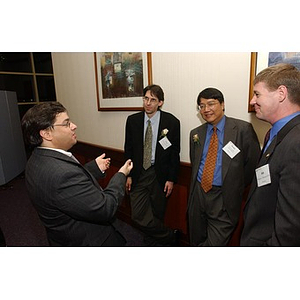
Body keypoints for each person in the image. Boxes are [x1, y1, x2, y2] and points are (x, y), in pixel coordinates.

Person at [21, 102, 133, 246]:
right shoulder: (61, 174)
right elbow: (106, 208)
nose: (74, 126)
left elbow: (68, 189)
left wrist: (93, 169)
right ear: (46, 133)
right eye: (66, 124)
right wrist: (121, 175)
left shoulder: (36, 160)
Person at [188, 87, 260, 246]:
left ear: (222, 104)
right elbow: (195, 163)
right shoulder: (196, 134)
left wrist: (235, 185)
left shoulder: (242, 130)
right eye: (201, 106)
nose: (206, 110)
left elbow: (252, 165)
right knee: (196, 239)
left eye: (211, 104)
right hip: (198, 195)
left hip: (224, 198)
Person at [241, 63, 300, 246]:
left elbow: (290, 229)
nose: (252, 101)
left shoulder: (296, 143)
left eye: (257, 94)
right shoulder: (277, 134)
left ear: (281, 93)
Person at [124, 84, 181, 246]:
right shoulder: (132, 121)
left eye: (153, 100)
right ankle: (169, 236)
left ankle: (152, 243)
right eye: (145, 99)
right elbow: (128, 148)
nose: (148, 103)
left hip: (159, 174)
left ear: (160, 103)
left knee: (157, 213)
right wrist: (127, 174)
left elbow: (174, 154)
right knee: (137, 215)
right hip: (138, 172)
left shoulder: (172, 122)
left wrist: (171, 179)